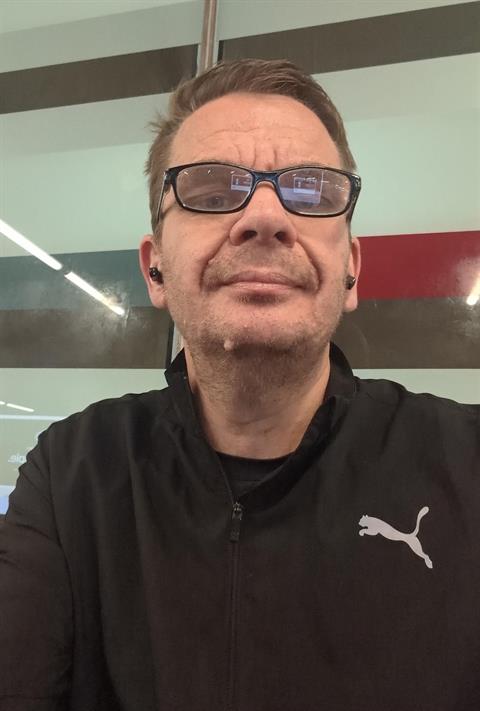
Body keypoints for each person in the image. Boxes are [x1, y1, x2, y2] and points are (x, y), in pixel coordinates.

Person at [0, 58, 478, 711]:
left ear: (352, 271)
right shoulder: (72, 474)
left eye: (310, 191)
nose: (266, 216)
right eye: (212, 188)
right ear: (155, 269)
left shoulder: (467, 463)